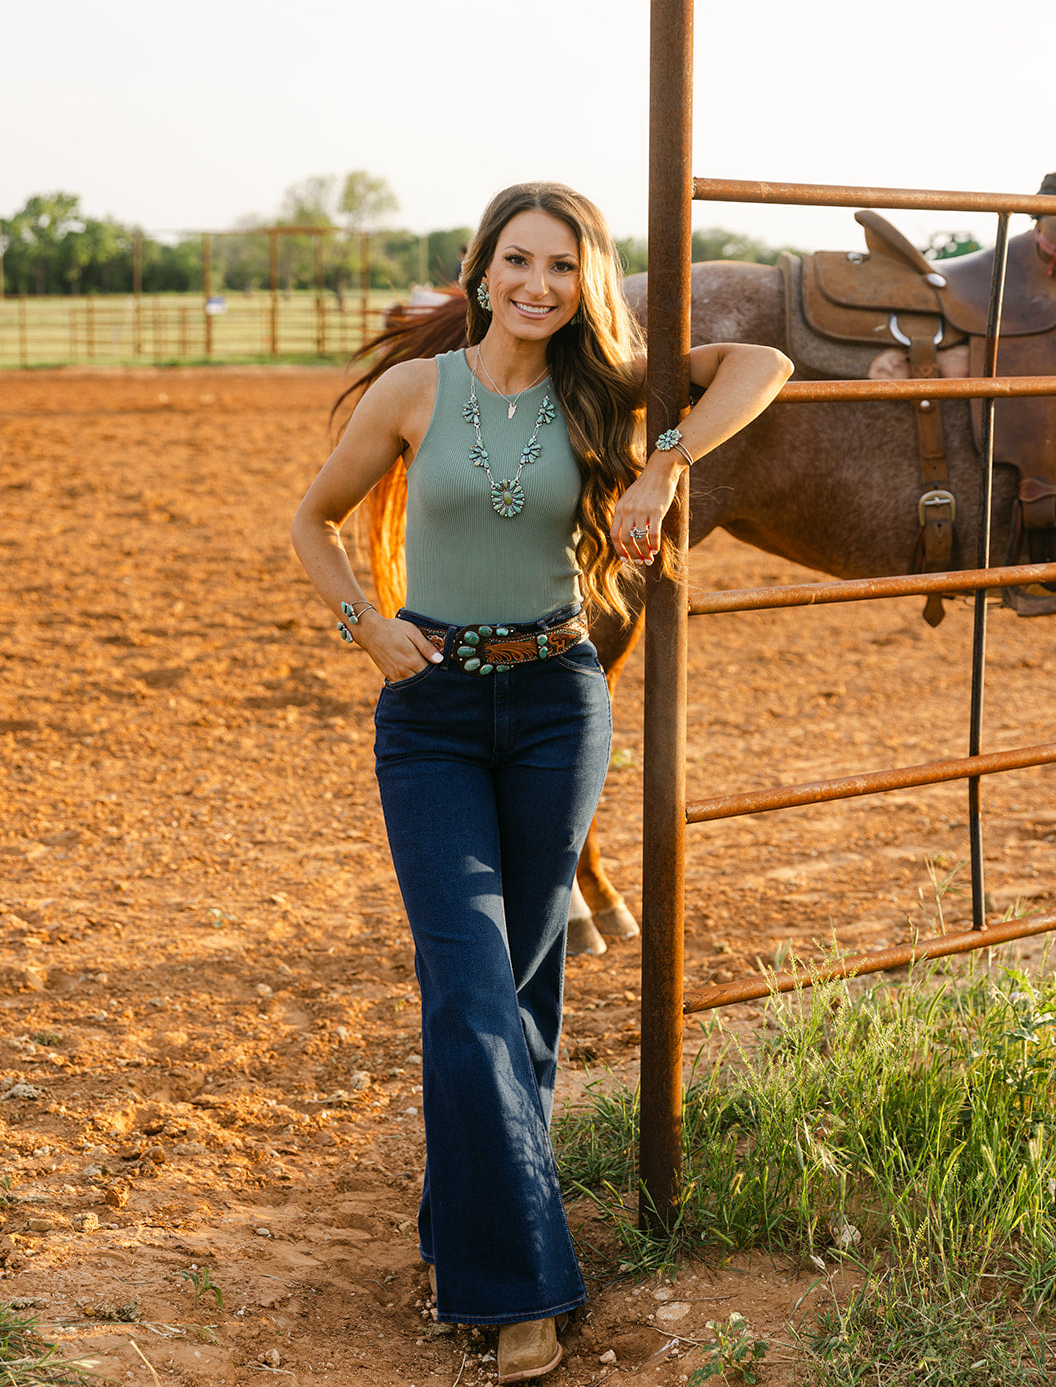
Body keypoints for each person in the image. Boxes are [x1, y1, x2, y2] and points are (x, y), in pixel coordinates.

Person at [291, 182, 792, 1382]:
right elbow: (312, 520)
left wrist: (661, 466)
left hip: (559, 697)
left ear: (585, 281)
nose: (537, 284)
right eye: (517, 261)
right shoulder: (414, 393)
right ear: (479, 271)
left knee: (522, 991)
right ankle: (519, 1290)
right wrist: (364, 621)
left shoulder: (597, 388)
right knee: (469, 982)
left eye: (561, 267)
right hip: (432, 712)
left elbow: (761, 362)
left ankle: (463, 1227)